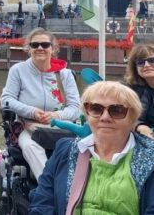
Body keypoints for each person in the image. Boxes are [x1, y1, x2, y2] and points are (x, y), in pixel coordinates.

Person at [29, 81, 154, 214]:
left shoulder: (150, 157)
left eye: (117, 110)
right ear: (87, 114)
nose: (105, 117)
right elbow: (42, 204)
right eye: (96, 109)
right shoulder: (65, 151)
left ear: (133, 117)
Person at [0, 28, 81, 180]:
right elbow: (6, 99)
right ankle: (48, 187)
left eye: (45, 45)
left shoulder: (65, 74)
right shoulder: (18, 70)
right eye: (35, 45)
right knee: (30, 146)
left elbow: (76, 108)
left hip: (61, 127)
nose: (40, 48)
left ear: (53, 48)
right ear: (29, 48)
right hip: (30, 126)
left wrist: (56, 115)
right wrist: (31, 112)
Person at [124, 44, 154, 139]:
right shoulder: (131, 90)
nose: (146, 65)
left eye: (151, 60)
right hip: (143, 139)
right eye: (140, 62)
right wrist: (139, 126)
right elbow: (126, 117)